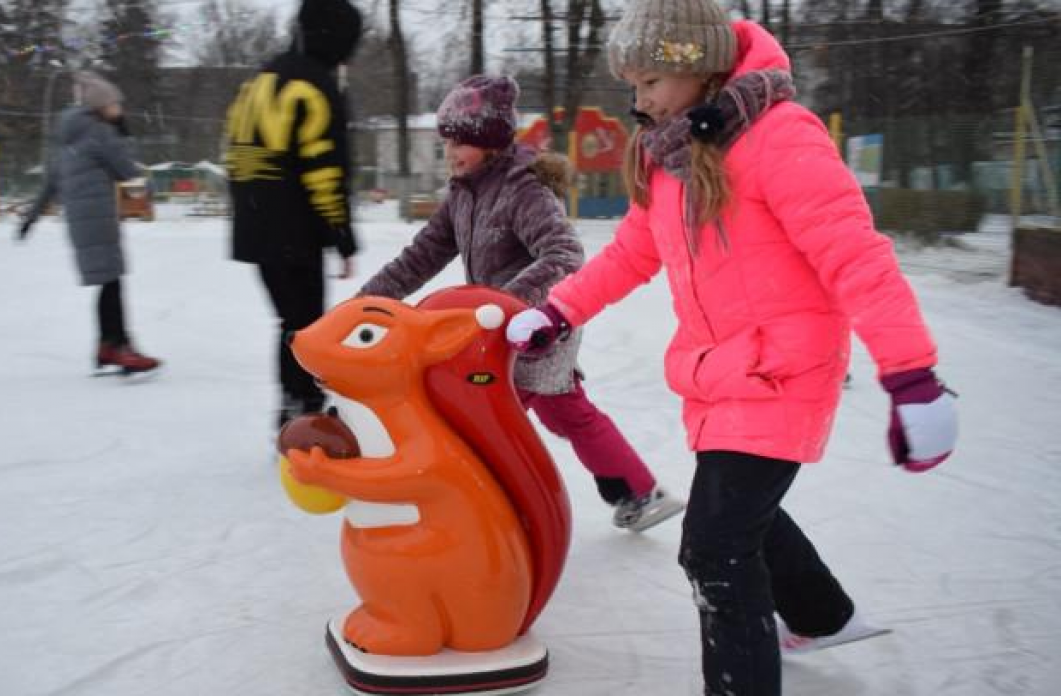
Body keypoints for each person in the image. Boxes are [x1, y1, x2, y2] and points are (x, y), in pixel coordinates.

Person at [505, 3, 959, 694]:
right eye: (633, 83)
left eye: (651, 80)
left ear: (701, 68)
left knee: (715, 546)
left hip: (785, 370)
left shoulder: (782, 137)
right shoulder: (670, 155)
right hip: (721, 375)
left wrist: (911, 374)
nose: (640, 99)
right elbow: (632, 252)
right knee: (745, 513)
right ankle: (822, 613)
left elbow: (855, 258)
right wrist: (559, 309)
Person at [359, 75, 683, 532]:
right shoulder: (463, 194)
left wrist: (502, 305)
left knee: (484, 427)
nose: (450, 153)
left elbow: (564, 255)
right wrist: (366, 306)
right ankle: (638, 491)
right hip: (499, 332)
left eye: (461, 143)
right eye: (447, 142)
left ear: (491, 143)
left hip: (536, 329)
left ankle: (492, 514)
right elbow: (421, 257)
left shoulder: (522, 189)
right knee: (567, 411)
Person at [225, 0, 362, 428]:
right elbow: (324, 169)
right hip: (293, 226)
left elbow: (234, 152)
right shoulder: (314, 87)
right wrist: (340, 232)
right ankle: (302, 410)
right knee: (305, 324)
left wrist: (252, 210)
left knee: (292, 320)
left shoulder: (261, 79)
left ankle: (293, 404)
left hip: (255, 222)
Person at [17, 70, 160, 375]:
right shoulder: (100, 132)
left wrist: (29, 219)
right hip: (99, 221)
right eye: (115, 105)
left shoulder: (67, 140)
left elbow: (48, 186)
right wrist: (149, 189)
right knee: (113, 282)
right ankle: (121, 346)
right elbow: (127, 171)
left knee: (108, 281)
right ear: (101, 107)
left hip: (80, 224)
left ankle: (106, 346)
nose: (119, 109)